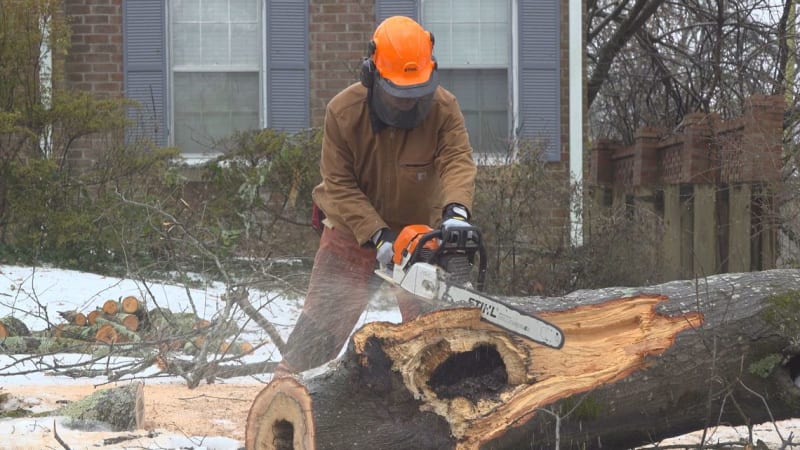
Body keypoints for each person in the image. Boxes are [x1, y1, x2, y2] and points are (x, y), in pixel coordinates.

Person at [275, 15, 477, 376]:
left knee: (436, 338)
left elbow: (457, 162)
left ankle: (440, 390)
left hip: (419, 234)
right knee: (319, 328)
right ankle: (287, 389)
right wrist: (377, 233)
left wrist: (456, 212)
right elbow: (338, 184)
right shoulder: (343, 112)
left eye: (416, 93)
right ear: (372, 75)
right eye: (399, 93)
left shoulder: (444, 109)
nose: (407, 103)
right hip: (352, 232)